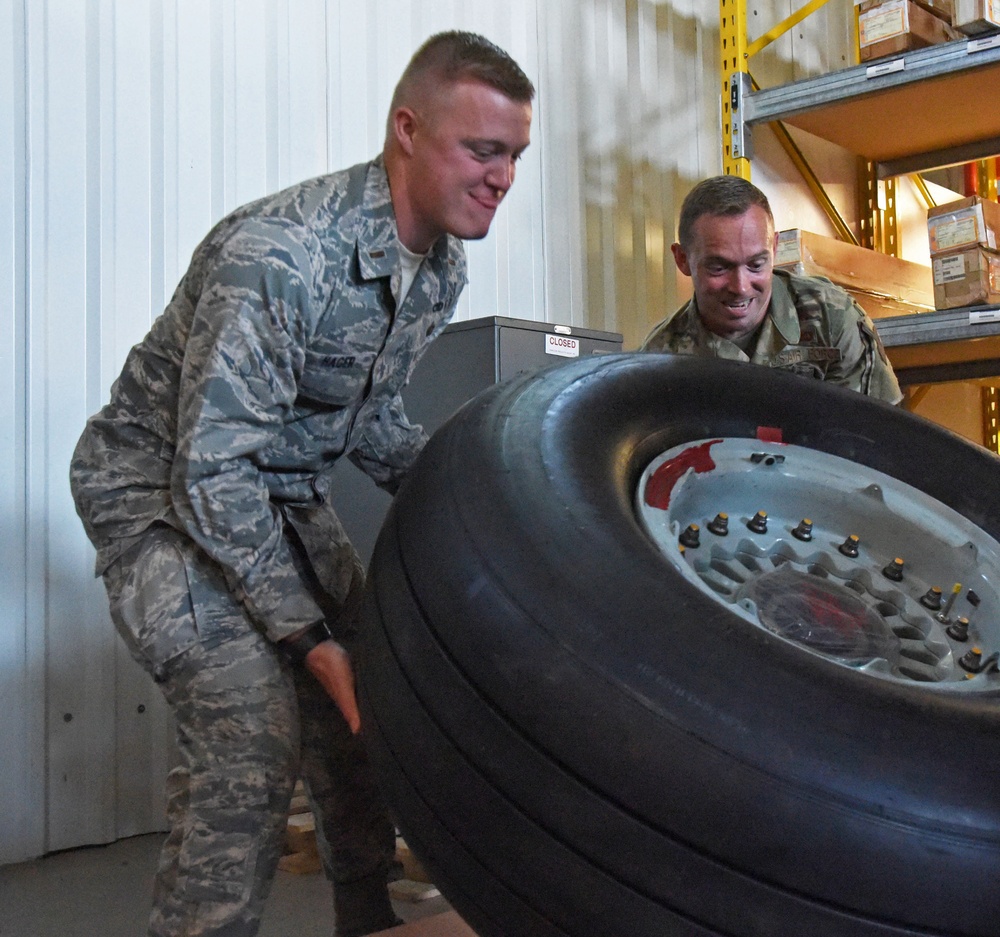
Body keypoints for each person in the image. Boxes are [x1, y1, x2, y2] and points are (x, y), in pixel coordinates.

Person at [70, 31, 533, 937]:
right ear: (408, 128)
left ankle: (367, 921)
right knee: (252, 728)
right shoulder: (281, 256)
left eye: (514, 155)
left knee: (373, 702)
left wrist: (486, 495)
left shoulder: (439, 267)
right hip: (157, 497)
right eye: (483, 150)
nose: (503, 177)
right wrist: (310, 639)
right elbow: (209, 471)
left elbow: (367, 417)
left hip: (276, 494)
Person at [641, 175, 902, 404]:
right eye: (719, 268)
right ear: (682, 259)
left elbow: (877, 439)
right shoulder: (661, 357)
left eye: (756, 264)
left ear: (775, 249)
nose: (741, 287)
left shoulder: (830, 319)